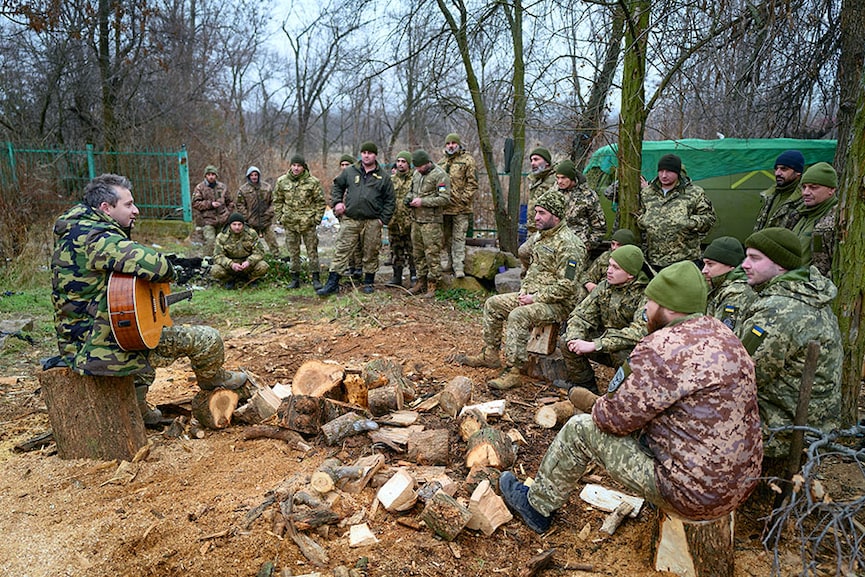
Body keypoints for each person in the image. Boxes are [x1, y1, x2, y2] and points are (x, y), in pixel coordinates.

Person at [499, 261, 763, 533]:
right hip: (742, 484)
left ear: (669, 308)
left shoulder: (660, 347)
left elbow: (611, 420)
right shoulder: (726, 336)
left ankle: (537, 507)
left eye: (650, 301)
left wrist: (597, 404)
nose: (646, 309)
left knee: (580, 429)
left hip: (694, 496)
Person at [51, 174, 247, 425]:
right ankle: (212, 378)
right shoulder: (96, 238)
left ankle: (138, 406)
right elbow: (156, 266)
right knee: (207, 339)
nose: (136, 210)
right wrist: (170, 269)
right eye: (128, 204)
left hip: (87, 337)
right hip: (99, 346)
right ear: (106, 208)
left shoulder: (75, 229)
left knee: (146, 331)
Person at [455, 189, 587, 390]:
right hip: (533, 296)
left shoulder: (570, 245)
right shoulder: (541, 236)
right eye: (536, 212)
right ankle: (490, 354)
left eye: (542, 213)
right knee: (493, 304)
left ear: (556, 215)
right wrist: (526, 290)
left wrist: (535, 298)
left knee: (518, 315)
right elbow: (529, 261)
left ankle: (514, 370)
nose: (536, 217)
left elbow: (567, 287)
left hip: (557, 304)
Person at [735, 227, 842, 459]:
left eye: (755, 258)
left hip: (783, 427)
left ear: (781, 265)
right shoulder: (808, 292)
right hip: (814, 420)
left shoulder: (778, 310)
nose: (744, 264)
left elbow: (741, 377)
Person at [560, 245, 649, 396]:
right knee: (566, 341)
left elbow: (638, 332)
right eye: (609, 265)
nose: (608, 270)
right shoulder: (604, 286)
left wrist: (596, 344)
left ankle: (623, 397)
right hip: (604, 344)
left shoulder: (646, 294)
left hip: (632, 352)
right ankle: (585, 388)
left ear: (630, 274)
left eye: (616, 267)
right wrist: (575, 338)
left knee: (621, 353)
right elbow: (580, 315)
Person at [317, 141, 395, 296]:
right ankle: (332, 283)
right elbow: (337, 186)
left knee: (371, 251)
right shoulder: (351, 171)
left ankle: (369, 281)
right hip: (351, 219)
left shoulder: (383, 177)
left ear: (375, 155)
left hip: (372, 220)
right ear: (361, 154)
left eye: (370, 153)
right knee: (342, 249)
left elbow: (390, 200)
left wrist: (383, 220)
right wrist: (338, 202)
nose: (366, 155)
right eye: (364, 152)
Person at [635, 154, 716, 270]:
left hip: (685, 261)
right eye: (661, 171)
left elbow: (709, 218)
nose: (664, 175)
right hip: (654, 261)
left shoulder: (694, 193)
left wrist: (688, 223)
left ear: (677, 172)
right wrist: (643, 220)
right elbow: (638, 215)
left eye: (669, 171)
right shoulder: (647, 193)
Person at [273, 155, 326, 290]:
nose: (296, 168)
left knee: (312, 251)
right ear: (290, 166)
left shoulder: (312, 182)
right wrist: (280, 216)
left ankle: (315, 278)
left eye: (299, 166)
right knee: (293, 252)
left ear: (303, 167)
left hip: (308, 223)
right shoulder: (282, 181)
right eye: (294, 165)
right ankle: (294, 279)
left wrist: (317, 218)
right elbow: (277, 200)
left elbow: (320, 202)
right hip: (290, 223)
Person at [405, 150, 450, 298]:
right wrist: (409, 199)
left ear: (427, 163)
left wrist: (423, 202)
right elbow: (412, 191)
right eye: (416, 167)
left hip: (432, 222)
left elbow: (444, 199)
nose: (417, 170)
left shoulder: (440, 175)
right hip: (416, 220)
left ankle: (433, 284)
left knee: (432, 253)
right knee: (417, 253)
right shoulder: (417, 174)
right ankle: (421, 281)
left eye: (420, 167)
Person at [789, 162, 838, 277]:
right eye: (804, 187)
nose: (806, 192)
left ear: (831, 190)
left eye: (813, 187)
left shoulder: (837, 220)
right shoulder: (798, 215)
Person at [439, 133, 478, 278]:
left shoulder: (467, 161)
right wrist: (441, 196)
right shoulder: (441, 162)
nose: (450, 146)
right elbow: (440, 183)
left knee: (458, 238)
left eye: (453, 143)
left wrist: (463, 199)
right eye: (448, 143)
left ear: (458, 144)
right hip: (445, 208)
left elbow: (472, 183)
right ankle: (448, 262)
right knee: (446, 237)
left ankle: (458, 266)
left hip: (461, 208)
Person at [517, 147, 558, 274]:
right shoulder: (536, 179)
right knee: (527, 262)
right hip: (533, 227)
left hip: (544, 229)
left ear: (546, 162)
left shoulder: (554, 180)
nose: (533, 163)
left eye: (536, 159)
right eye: (531, 160)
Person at [701, 236, 753, 329]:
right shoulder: (719, 286)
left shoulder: (736, 293)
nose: (704, 270)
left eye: (710, 264)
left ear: (730, 266)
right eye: (704, 264)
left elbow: (721, 335)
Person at [555, 159, 606, 251]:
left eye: (563, 178)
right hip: (555, 241)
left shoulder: (588, 196)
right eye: (557, 178)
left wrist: (587, 245)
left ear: (572, 178)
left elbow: (599, 227)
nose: (559, 181)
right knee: (524, 251)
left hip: (576, 243)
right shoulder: (555, 192)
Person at [210, 213, 269, 289]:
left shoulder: (251, 234)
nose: (237, 227)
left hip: (248, 265)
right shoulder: (222, 236)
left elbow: (260, 252)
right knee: (215, 270)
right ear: (230, 225)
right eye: (234, 224)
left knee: (263, 266)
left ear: (243, 224)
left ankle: (251, 279)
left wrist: (249, 261)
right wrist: (231, 264)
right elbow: (218, 256)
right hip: (231, 266)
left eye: (239, 224)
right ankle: (229, 280)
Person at [230, 166, 279, 257]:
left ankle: (276, 260)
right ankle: (252, 260)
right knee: (250, 244)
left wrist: (269, 213)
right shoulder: (243, 190)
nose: (254, 177)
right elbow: (239, 205)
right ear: (248, 176)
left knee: (273, 243)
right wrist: (247, 217)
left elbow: (274, 202)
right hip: (251, 223)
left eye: (256, 175)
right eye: (252, 175)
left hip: (266, 221)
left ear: (259, 176)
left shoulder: (267, 187)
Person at [753, 150, 804, 232]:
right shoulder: (771, 195)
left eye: (784, 169)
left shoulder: (803, 199)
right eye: (776, 169)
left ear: (798, 172)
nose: (777, 173)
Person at [386, 151, 416, 287]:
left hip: (410, 221)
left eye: (403, 161)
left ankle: (414, 276)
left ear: (408, 163)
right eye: (398, 161)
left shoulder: (415, 179)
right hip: (394, 222)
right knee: (396, 250)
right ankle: (397, 276)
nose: (400, 164)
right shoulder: (391, 180)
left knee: (413, 250)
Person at [580, 228, 639, 293]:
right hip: (599, 293)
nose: (614, 248)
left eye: (619, 245)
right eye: (613, 244)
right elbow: (587, 275)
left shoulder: (634, 261)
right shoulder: (605, 257)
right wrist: (589, 284)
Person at [191, 165, 230, 256]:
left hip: (222, 220)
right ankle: (207, 262)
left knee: (223, 243)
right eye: (208, 174)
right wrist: (210, 204)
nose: (211, 176)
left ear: (216, 176)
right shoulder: (200, 188)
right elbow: (195, 203)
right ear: (205, 176)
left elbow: (230, 202)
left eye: (213, 174)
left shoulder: (222, 187)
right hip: (208, 220)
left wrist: (227, 213)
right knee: (210, 242)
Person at [336, 154, 364, 280]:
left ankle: (359, 267)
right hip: (343, 217)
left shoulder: (357, 179)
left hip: (357, 216)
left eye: (347, 165)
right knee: (345, 243)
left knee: (358, 243)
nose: (344, 167)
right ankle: (350, 266)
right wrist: (336, 210)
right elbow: (335, 197)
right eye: (342, 165)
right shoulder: (339, 180)